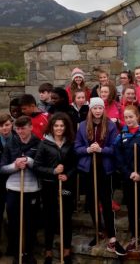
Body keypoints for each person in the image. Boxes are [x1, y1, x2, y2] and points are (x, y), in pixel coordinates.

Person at [74, 97, 126, 255]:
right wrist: (88, 150)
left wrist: (101, 150)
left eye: (100, 108)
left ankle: (112, 236)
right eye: (95, 108)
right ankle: (98, 231)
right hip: (87, 169)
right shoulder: (83, 126)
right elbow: (77, 147)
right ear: (91, 110)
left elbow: (115, 148)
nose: (98, 111)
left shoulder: (110, 126)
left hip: (104, 169)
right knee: (91, 202)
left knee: (105, 201)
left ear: (103, 110)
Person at [33, 113, 76, 264]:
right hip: (49, 186)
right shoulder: (44, 144)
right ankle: (48, 251)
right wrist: (53, 172)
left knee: (66, 216)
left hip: (65, 187)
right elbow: (37, 167)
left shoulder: (70, 143)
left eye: (62, 126)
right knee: (49, 217)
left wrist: (67, 176)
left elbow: (74, 165)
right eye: (56, 125)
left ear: (66, 127)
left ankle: (67, 251)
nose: (59, 128)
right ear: (51, 127)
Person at [114, 105, 140, 254]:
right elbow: (117, 155)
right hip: (128, 177)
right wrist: (127, 172)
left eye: (131, 117)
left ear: (138, 117)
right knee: (131, 207)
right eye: (126, 117)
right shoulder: (121, 135)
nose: (129, 120)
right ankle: (134, 235)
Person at [0, 116, 41, 264]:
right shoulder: (11, 143)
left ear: (31, 127)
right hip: (13, 188)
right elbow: (2, 168)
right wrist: (15, 166)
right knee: (14, 222)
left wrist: (29, 162)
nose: (20, 131)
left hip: (31, 188)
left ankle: (29, 253)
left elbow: (41, 167)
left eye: (23, 128)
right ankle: (18, 253)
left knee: (30, 223)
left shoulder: (38, 143)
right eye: (17, 129)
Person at [0, 114, 14, 255]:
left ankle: (13, 246)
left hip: (14, 180)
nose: (5, 128)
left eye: (7, 124)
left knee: (13, 215)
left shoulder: (17, 139)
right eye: (2, 125)